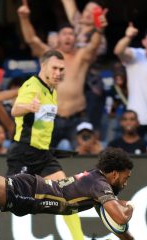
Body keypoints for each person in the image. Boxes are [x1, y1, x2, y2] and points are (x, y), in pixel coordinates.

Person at [0, 116, 135, 240]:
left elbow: (118, 228)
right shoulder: (100, 184)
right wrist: (129, 208)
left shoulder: (98, 187)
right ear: (115, 173)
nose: (125, 183)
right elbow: (119, 217)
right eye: (125, 177)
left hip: (29, 198)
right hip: (29, 191)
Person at [6, 49, 83, 238]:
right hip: (23, 152)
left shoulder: (52, 90)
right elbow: (15, 110)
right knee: (6, 198)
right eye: (54, 68)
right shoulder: (32, 86)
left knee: (68, 195)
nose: (58, 73)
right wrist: (28, 107)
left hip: (43, 154)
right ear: (43, 66)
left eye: (61, 69)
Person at [17, 0, 108, 150]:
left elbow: (93, 46)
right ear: (58, 37)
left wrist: (99, 29)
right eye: (64, 34)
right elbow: (31, 40)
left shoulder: (81, 56)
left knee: (85, 154)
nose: (68, 37)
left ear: (75, 38)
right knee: (40, 154)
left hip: (78, 117)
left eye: (71, 34)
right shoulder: (49, 55)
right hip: (50, 116)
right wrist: (24, 18)